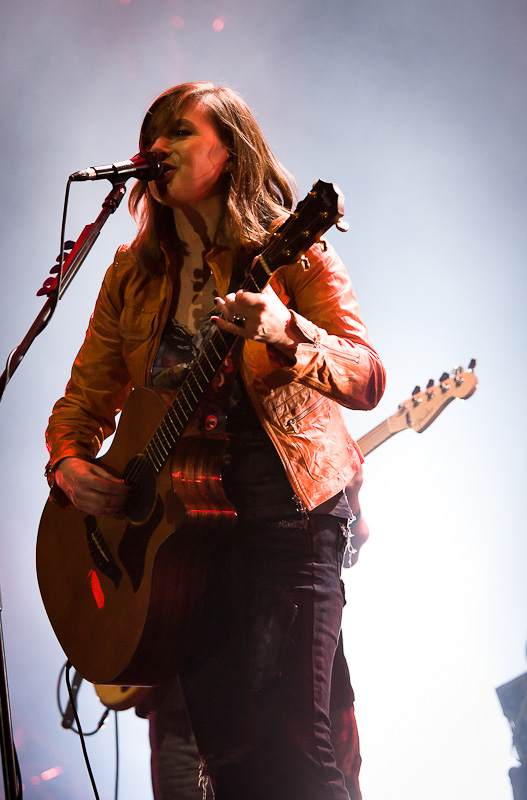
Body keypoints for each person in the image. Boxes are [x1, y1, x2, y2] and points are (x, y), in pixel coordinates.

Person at [45, 81, 385, 799]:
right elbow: (81, 405)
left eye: (178, 131)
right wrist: (71, 468)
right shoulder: (130, 276)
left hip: (285, 519)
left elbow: (366, 377)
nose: (156, 146)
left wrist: (283, 331)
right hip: (184, 548)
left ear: (230, 149)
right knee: (228, 770)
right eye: (151, 134)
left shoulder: (295, 251)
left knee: (296, 755)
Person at [137, 467, 369, 800]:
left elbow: (352, 539)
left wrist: (352, 499)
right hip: (182, 688)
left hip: (289, 656)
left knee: (310, 772)